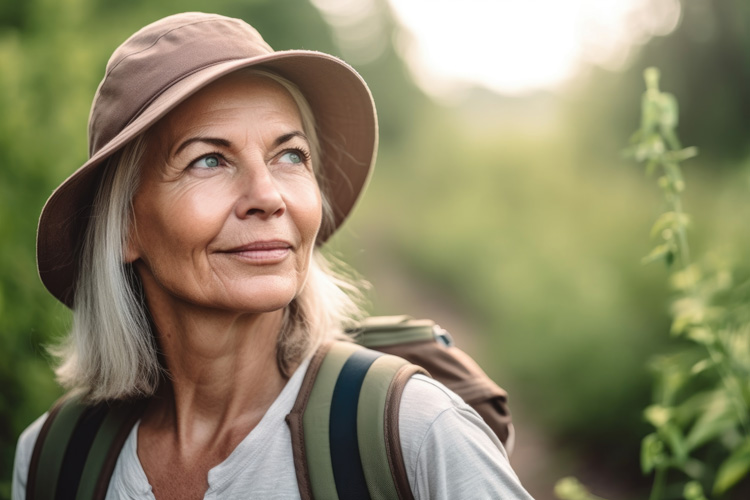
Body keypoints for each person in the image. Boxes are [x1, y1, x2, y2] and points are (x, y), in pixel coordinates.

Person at [12, 12, 534, 500]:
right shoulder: (55, 460)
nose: (268, 195)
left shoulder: (415, 431)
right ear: (125, 227)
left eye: (290, 155)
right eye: (209, 160)